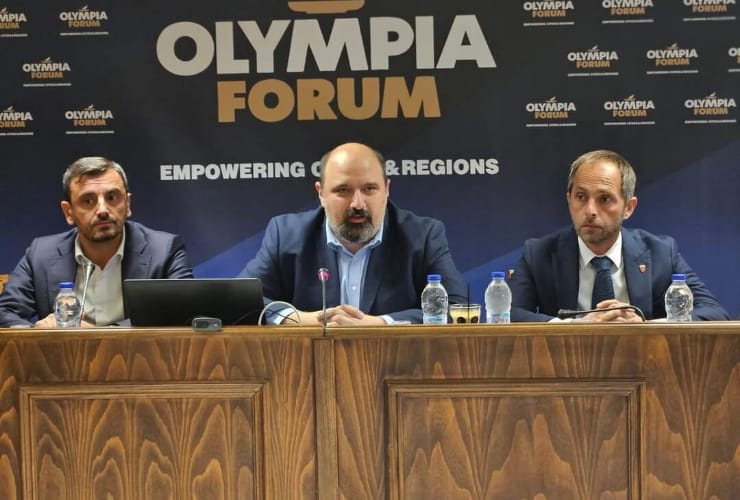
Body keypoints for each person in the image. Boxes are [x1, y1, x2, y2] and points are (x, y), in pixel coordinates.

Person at [239, 142, 467, 325]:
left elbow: (459, 309)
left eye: (369, 189)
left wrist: (381, 324)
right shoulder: (287, 235)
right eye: (343, 190)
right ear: (321, 193)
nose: (357, 203)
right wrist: (300, 319)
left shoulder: (422, 235)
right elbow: (239, 302)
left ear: (386, 189)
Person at [509, 149, 729, 322]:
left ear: (628, 207)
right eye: (581, 197)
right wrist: (575, 325)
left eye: (604, 199)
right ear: (569, 200)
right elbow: (506, 313)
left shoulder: (660, 252)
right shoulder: (539, 253)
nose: (590, 210)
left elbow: (714, 312)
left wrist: (645, 327)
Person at [0, 156, 193, 327]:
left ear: (127, 204)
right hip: (65, 356)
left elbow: (184, 312)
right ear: (68, 212)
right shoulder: (41, 254)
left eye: (112, 197)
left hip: (138, 355)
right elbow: (5, 311)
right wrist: (38, 332)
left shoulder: (164, 251)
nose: (102, 210)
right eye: (88, 201)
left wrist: (100, 335)